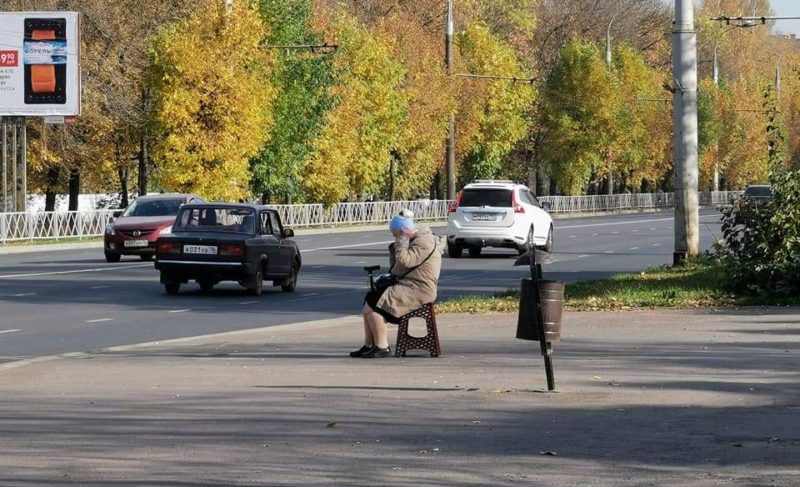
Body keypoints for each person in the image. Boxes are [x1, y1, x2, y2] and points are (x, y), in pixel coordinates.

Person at [351, 211, 443, 358]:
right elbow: (396, 269)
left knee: (374, 303)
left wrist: (401, 242)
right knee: (370, 301)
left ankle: (382, 346)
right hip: (409, 285)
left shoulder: (424, 242)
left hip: (419, 289)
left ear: (402, 231)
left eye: (395, 235)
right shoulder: (414, 240)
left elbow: (404, 262)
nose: (395, 238)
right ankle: (369, 345)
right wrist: (397, 247)